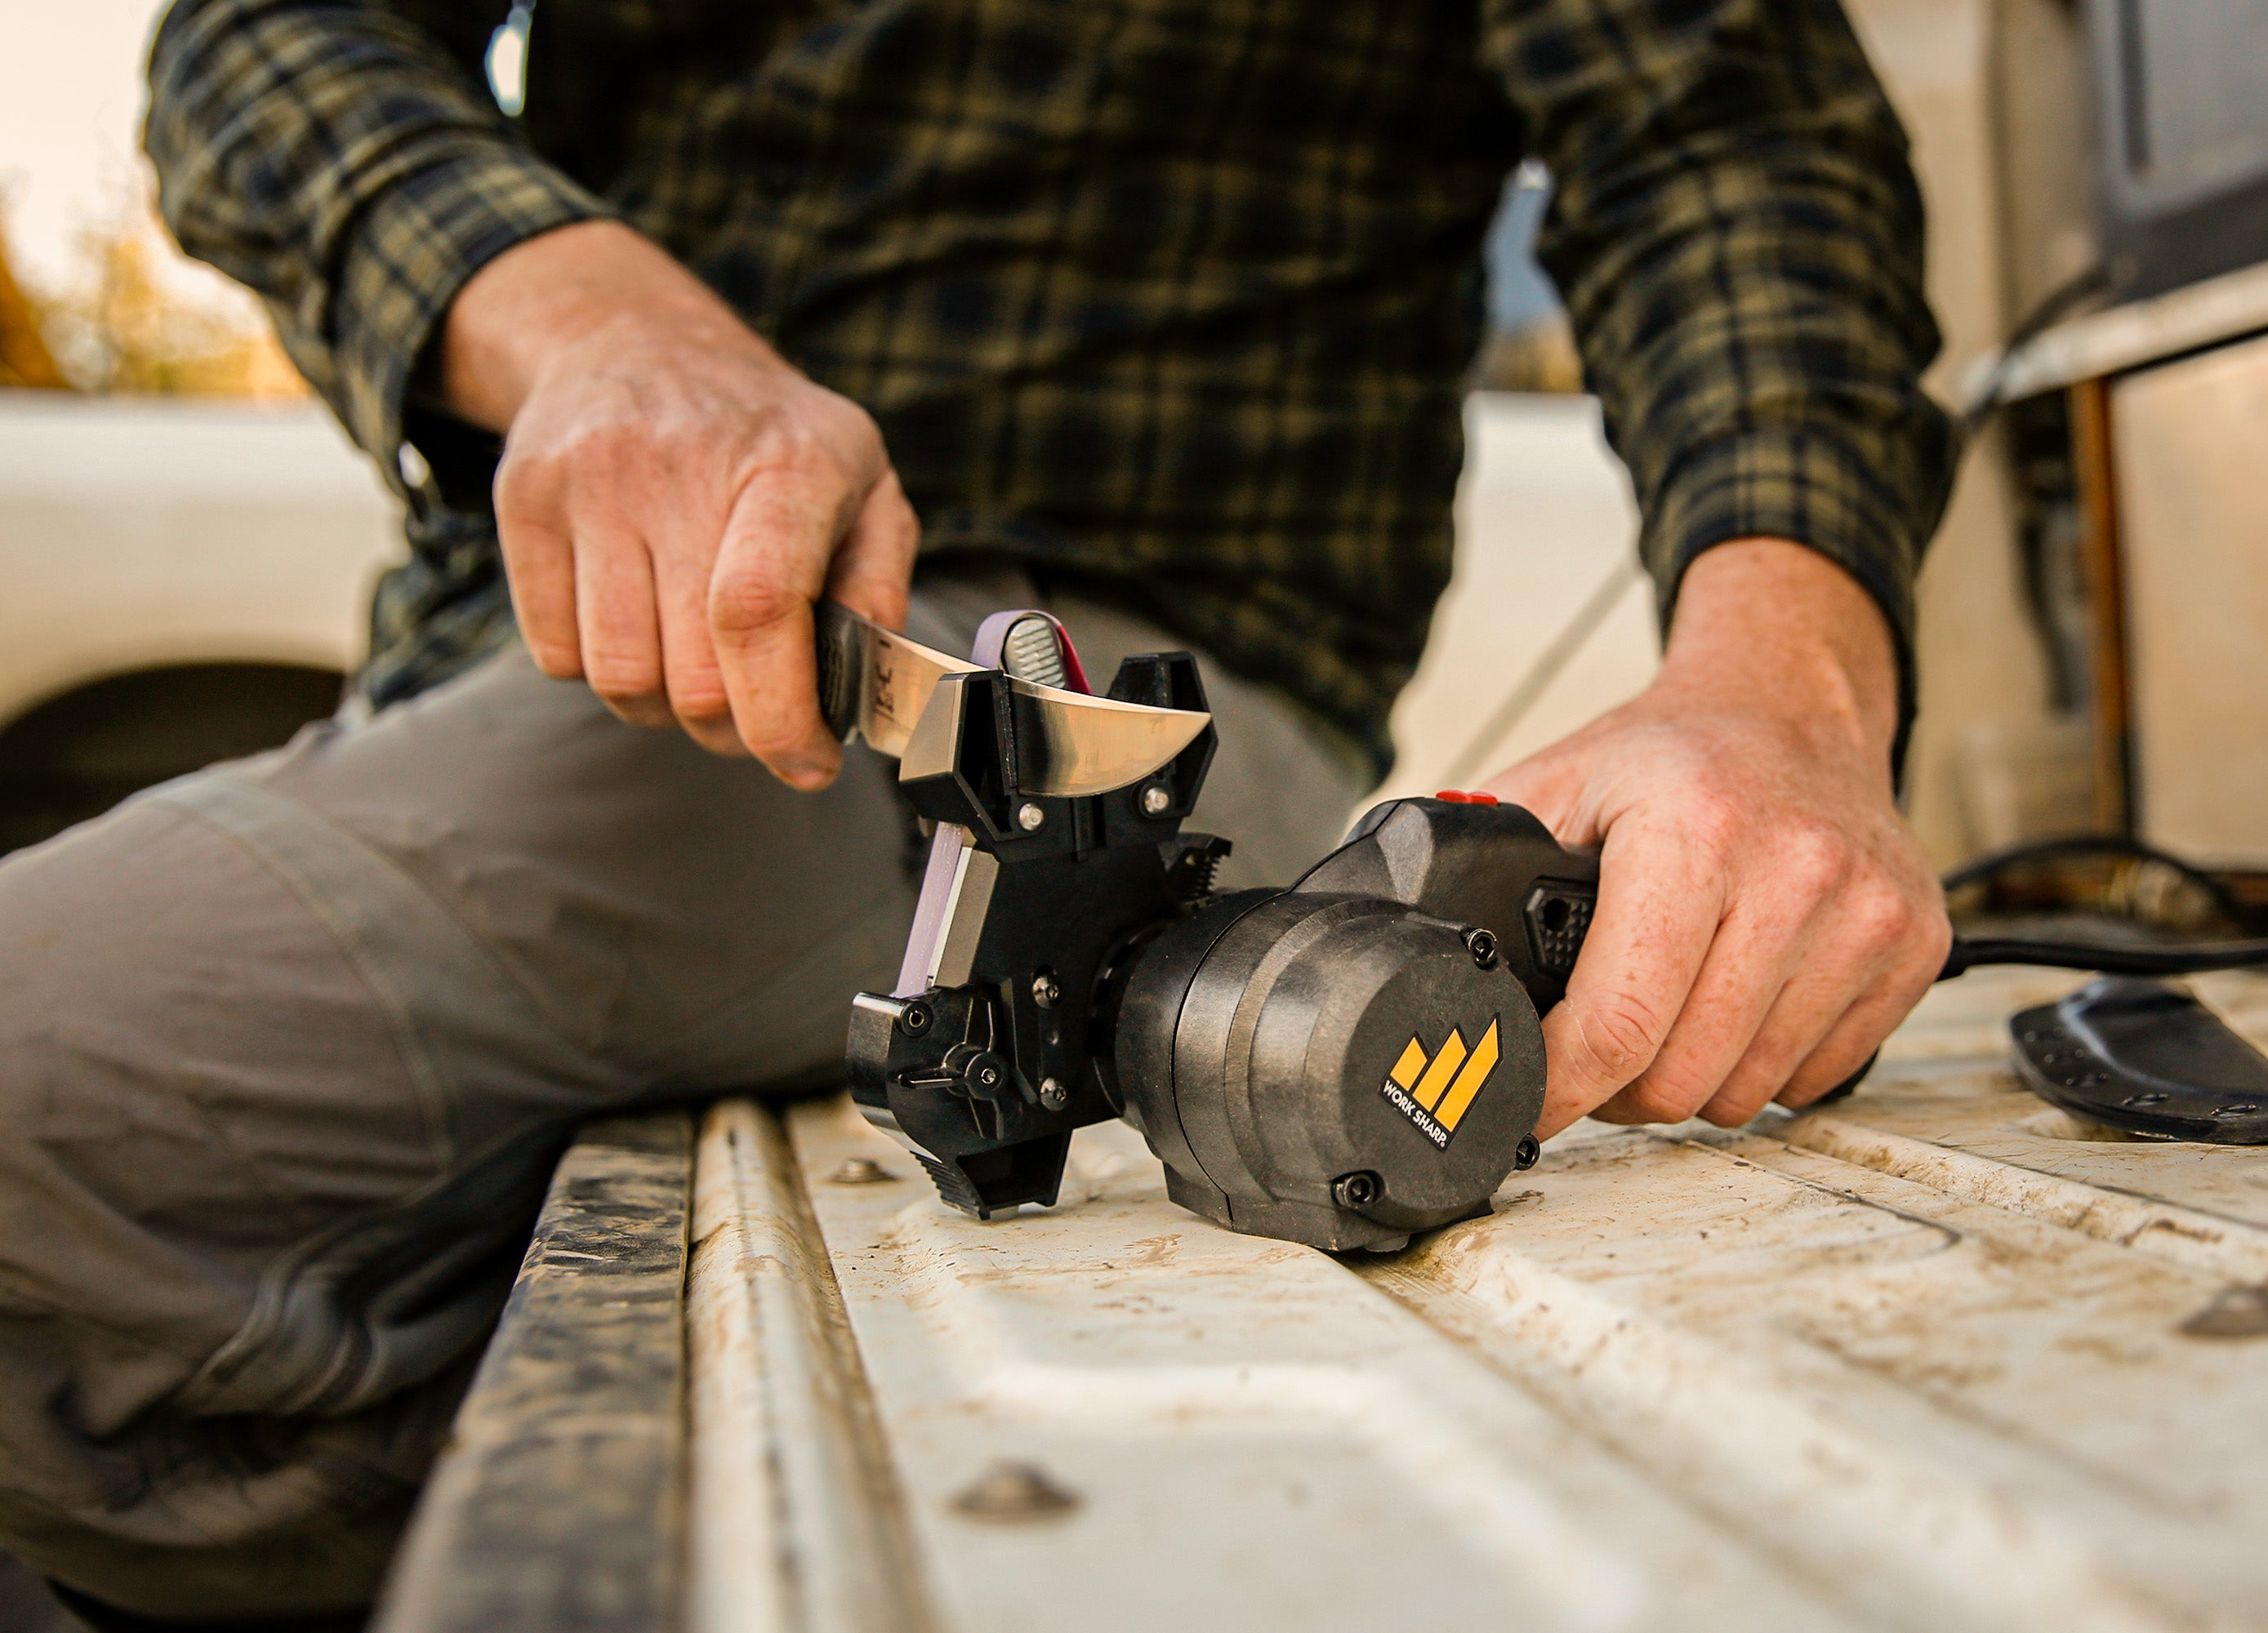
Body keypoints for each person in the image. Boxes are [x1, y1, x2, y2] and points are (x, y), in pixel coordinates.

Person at [0, 0, 1957, 1622]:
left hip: (1111, 699)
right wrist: (594, 327)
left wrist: (1784, 680)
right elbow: (264, 37)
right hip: (517, 671)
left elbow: (1728, 127)